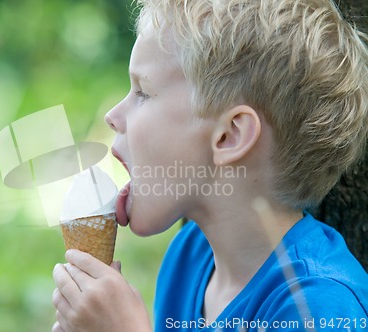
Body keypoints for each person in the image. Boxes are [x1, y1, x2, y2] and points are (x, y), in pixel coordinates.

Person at [52, 0, 368, 331]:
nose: (112, 117)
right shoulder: (188, 256)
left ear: (229, 135)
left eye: (143, 92)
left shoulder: (318, 309)